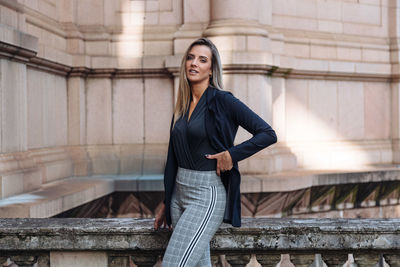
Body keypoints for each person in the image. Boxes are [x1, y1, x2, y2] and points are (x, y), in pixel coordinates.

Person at [154, 37, 277, 267]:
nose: (194, 63)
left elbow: (267, 133)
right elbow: (173, 156)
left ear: (211, 70)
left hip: (205, 195)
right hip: (177, 196)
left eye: (202, 60)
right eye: (190, 58)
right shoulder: (181, 104)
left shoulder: (222, 100)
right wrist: (166, 199)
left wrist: (232, 154)